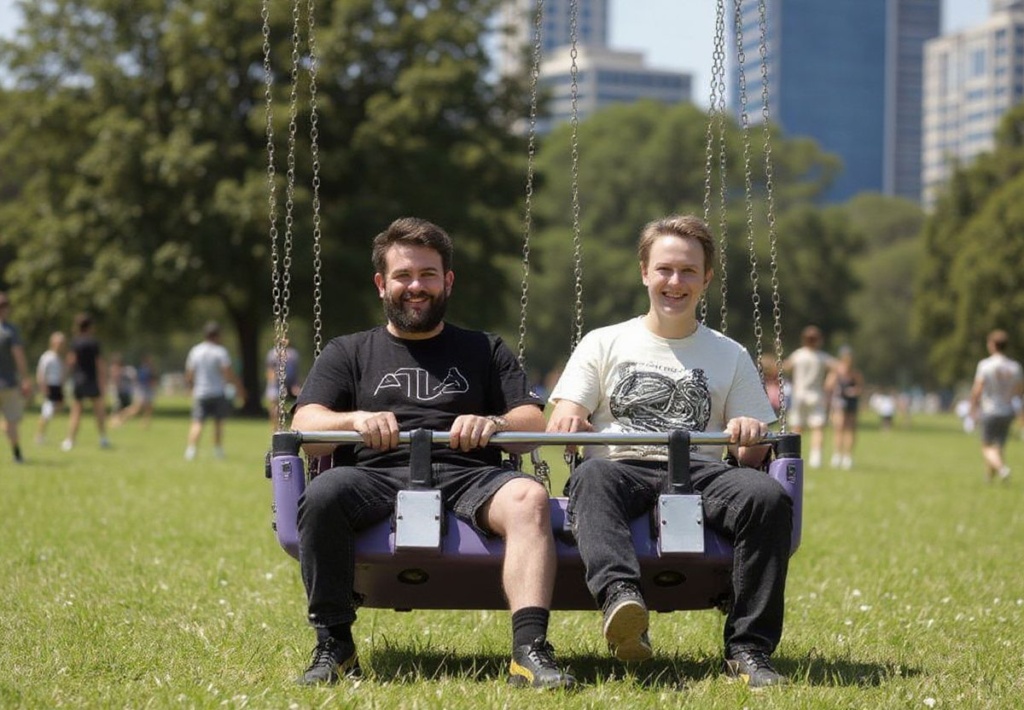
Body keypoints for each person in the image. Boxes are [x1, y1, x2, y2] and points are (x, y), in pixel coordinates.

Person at [291, 217, 574, 689]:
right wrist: (355, 421)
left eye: (427, 275)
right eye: (403, 276)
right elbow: (305, 425)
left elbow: (532, 423)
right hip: (376, 472)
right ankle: (335, 645)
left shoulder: (485, 348)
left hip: (470, 473)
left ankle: (529, 652)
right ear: (382, 284)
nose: (415, 287)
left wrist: (495, 422)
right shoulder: (349, 351)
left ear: (448, 281)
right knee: (323, 494)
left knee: (529, 498)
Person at [546, 215, 792, 689]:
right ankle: (622, 601)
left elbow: (750, 452)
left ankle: (748, 649)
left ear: (706, 279)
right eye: (664, 270)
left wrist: (748, 433)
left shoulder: (730, 354)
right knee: (590, 479)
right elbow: (566, 417)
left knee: (766, 497)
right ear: (644, 272)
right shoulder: (604, 342)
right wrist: (569, 421)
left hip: (702, 470)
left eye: (687, 272)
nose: (674, 282)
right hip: (620, 465)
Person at [968, 329, 1023, 482]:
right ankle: (989, 477)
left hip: (990, 409)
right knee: (998, 446)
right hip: (1007, 411)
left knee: (986, 446)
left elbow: (977, 390)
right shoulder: (1015, 367)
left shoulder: (985, 365)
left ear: (992, 345)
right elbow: (1019, 392)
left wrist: (972, 408)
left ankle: (1001, 469)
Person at [183, 321, 244, 461]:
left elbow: (190, 373)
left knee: (197, 422)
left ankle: (191, 450)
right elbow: (227, 372)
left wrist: (190, 386)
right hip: (217, 391)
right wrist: (237, 387)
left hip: (200, 392)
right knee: (218, 422)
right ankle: (217, 450)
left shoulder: (196, 351)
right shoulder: (220, 351)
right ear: (217, 335)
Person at [782, 325, 834, 468]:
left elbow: (785, 366)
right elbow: (837, 368)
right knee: (817, 427)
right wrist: (830, 379)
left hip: (799, 394)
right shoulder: (821, 357)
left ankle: (793, 454)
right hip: (816, 395)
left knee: (797, 427)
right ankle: (815, 458)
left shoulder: (799, 354)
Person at [63, 312, 111, 451]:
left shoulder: (75, 343)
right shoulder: (93, 343)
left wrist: (65, 377)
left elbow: (70, 361)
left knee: (76, 411)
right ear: (90, 327)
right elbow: (99, 364)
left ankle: (70, 440)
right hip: (91, 380)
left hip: (78, 380)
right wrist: (104, 381)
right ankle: (103, 438)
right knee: (99, 411)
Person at [0, 292, 33, 463]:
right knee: (11, 421)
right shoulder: (10, 331)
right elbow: (18, 355)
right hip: (8, 383)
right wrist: (26, 378)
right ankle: (17, 455)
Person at [824, 345, 864, 470]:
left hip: (851, 402)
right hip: (839, 402)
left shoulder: (855, 373)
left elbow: (860, 388)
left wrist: (854, 391)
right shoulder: (836, 372)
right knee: (839, 427)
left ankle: (848, 456)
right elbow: (828, 386)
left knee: (850, 429)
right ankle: (837, 454)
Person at [35, 331, 67, 444]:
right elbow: (41, 373)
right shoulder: (47, 357)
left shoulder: (60, 358)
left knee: (57, 409)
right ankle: (39, 436)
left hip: (58, 386)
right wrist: (43, 387)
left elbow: (62, 373)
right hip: (49, 386)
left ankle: (45, 434)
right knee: (46, 412)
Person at [264, 338, 301, 429]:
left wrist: (295, 385)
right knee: (274, 406)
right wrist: (278, 385)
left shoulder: (293, 354)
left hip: (290, 383)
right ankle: (275, 428)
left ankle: (291, 425)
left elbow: (296, 371)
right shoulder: (272, 354)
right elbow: (270, 371)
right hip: (276, 384)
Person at [115, 353, 157, 428]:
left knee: (148, 408)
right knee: (136, 408)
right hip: (143, 390)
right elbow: (145, 381)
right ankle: (120, 416)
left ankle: (145, 424)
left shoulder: (149, 369)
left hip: (147, 390)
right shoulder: (144, 369)